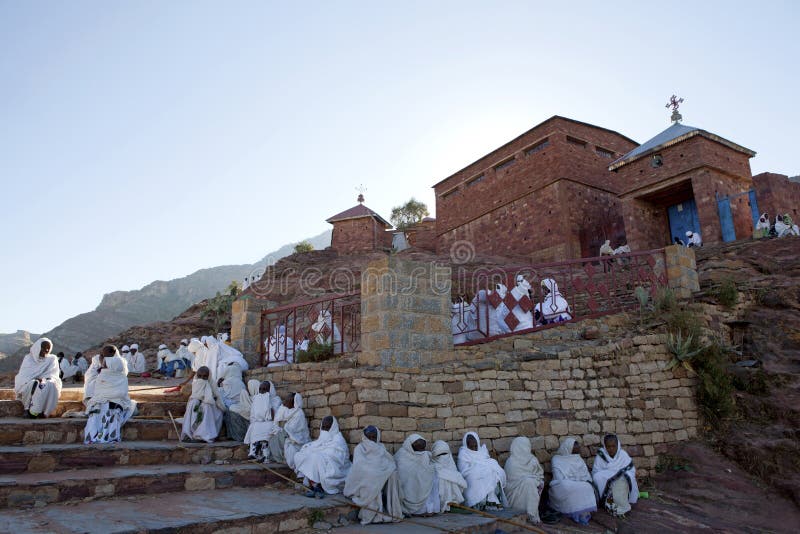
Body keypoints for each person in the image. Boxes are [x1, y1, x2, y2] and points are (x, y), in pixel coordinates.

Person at [343, 426, 403, 524]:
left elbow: (390, 461)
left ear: (377, 437)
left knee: (393, 474)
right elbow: (359, 467)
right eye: (369, 437)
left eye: (373, 437)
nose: (371, 440)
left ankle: (391, 509)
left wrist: (386, 470)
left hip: (379, 474)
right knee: (372, 477)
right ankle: (375, 510)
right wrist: (375, 471)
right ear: (364, 437)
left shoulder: (381, 447)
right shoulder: (359, 448)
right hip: (364, 476)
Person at [84, 345, 136, 444]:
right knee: (96, 414)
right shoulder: (103, 374)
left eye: (106, 355)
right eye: (103, 355)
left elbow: (121, 393)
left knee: (112, 413)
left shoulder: (118, 367)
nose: (104, 357)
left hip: (115, 402)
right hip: (101, 401)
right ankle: (97, 436)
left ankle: (103, 436)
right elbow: (99, 392)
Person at [294, 415, 352, 498]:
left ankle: (317, 487)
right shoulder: (322, 437)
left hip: (337, 466)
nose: (325, 430)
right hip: (321, 459)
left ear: (333, 427)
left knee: (316, 457)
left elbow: (336, 456)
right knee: (300, 454)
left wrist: (318, 453)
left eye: (327, 427)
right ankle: (314, 484)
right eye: (323, 427)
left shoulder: (338, 439)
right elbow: (317, 444)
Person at [548, 437, 597, 525]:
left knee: (587, 486)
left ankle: (581, 513)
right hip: (562, 484)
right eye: (574, 452)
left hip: (577, 483)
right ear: (567, 449)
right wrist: (576, 480)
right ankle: (570, 511)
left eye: (577, 452)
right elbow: (559, 478)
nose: (576, 454)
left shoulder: (579, 459)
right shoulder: (557, 459)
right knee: (566, 486)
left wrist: (578, 480)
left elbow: (587, 476)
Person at [592, 434, 639, 517]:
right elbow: (596, 472)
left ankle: (622, 500)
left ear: (618, 445)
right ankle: (607, 500)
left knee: (626, 477)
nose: (611, 449)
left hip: (621, 475)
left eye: (614, 446)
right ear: (605, 446)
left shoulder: (623, 454)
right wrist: (611, 475)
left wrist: (620, 475)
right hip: (606, 475)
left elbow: (631, 470)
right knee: (597, 477)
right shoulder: (601, 455)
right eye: (608, 447)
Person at [457, 431, 506, 510]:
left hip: (483, 472)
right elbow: (463, 471)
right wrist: (477, 468)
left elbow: (487, 461)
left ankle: (490, 502)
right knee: (475, 477)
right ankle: (478, 503)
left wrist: (483, 467)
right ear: (466, 445)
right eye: (471, 447)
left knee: (493, 471)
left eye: (475, 446)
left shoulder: (482, 451)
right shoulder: (463, 453)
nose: (474, 448)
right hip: (470, 476)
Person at [14, 337, 62, 418]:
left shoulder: (52, 359)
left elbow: (53, 374)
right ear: (38, 348)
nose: (46, 350)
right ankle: (28, 409)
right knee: (34, 384)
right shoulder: (29, 358)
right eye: (44, 348)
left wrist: (44, 379)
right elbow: (23, 376)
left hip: (46, 381)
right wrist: (36, 379)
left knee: (51, 384)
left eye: (48, 348)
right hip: (29, 383)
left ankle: (43, 412)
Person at [394, 434, 439, 516]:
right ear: (411, 445)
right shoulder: (401, 455)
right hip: (407, 485)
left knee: (433, 478)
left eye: (423, 448)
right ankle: (411, 509)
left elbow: (428, 467)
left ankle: (426, 509)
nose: (421, 451)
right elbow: (401, 472)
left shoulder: (425, 454)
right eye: (419, 448)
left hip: (423, 484)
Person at [504, 436, 545, 524]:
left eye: (528, 445)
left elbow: (539, 475)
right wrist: (529, 479)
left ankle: (532, 515)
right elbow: (512, 482)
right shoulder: (511, 462)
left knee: (529, 482)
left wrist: (534, 479)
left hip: (531, 485)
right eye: (525, 446)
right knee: (528, 482)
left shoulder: (533, 460)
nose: (527, 448)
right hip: (514, 491)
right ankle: (524, 514)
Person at [180, 366, 226, 443]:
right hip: (197, 406)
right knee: (193, 403)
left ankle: (203, 435)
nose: (202, 378)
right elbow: (195, 396)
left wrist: (210, 399)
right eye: (200, 376)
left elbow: (217, 399)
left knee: (206, 406)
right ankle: (189, 433)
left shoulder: (212, 383)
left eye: (205, 376)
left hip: (212, 409)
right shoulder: (196, 383)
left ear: (209, 376)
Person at [243, 380, 283, 460]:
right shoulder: (256, 399)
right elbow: (253, 416)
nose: (262, 391)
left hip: (271, 422)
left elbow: (275, 417)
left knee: (267, 428)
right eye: (260, 389)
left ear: (269, 390)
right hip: (258, 422)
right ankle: (253, 452)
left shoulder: (276, 400)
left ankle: (265, 454)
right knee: (254, 427)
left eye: (264, 389)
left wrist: (268, 403)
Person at [273, 392, 311, 471]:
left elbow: (293, 429)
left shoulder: (299, 413)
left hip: (297, 439)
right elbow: (277, 422)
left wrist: (283, 425)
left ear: (294, 402)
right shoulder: (286, 410)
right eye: (286, 400)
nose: (285, 402)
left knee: (291, 452)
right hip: (287, 433)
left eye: (288, 401)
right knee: (273, 439)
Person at [431, 440, 467, 512]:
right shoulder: (432, 467)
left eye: (445, 454)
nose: (443, 457)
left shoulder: (451, 465)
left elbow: (460, 480)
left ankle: (452, 500)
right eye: (439, 455)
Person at [218, 363, 247, 440]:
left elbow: (222, 398)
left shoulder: (226, 382)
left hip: (231, 408)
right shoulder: (242, 383)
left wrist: (219, 386)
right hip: (241, 406)